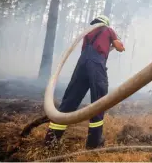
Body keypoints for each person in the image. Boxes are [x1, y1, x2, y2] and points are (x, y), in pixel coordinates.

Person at [44, 15, 125, 149]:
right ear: (106, 23)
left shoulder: (89, 32)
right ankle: (94, 143)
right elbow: (119, 47)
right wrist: (119, 43)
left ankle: (50, 141)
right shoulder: (108, 30)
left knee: (69, 101)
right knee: (99, 102)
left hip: (81, 65)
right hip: (96, 64)